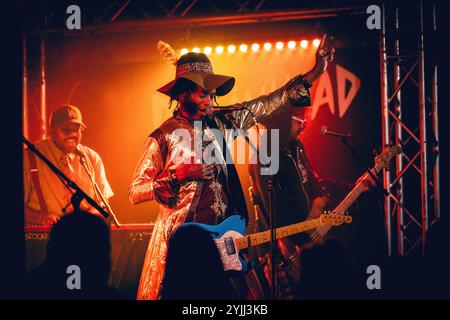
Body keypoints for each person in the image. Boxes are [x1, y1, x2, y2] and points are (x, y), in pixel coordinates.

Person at [129, 36, 334, 300]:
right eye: (203, 94)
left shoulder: (222, 123)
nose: (209, 101)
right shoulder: (162, 137)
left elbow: (268, 103)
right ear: (182, 94)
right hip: (184, 248)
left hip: (225, 240)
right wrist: (177, 175)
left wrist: (315, 72)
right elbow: (135, 191)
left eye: (212, 95)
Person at [248, 107, 371, 299]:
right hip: (282, 251)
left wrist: (352, 187)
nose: (303, 127)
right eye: (299, 121)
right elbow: (273, 209)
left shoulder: (296, 147)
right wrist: (294, 244)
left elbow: (313, 182)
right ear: (283, 122)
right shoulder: (264, 154)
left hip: (306, 241)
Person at [23, 104, 114, 225]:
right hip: (45, 239)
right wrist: (42, 218)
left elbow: (103, 201)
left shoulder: (92, 158)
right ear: (52, 131)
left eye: (76, 129)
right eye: (66, 129)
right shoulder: (30, 157)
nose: (72, 134)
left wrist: (93, 213)